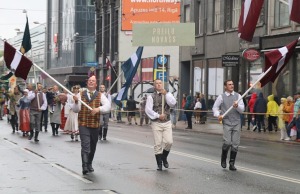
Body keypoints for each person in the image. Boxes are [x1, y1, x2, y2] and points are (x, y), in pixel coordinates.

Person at [72, 75, 110, 174]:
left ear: (96, 84)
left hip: (95, 124)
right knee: (85, 145)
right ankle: (84, 166)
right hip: (83, 123)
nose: (91, 82)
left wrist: (98, 109)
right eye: (89, 81)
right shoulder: (80, 94)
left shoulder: (100, 95)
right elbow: (76, 110)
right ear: (87, 83)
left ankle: (89, 163)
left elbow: (107, 106)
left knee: (93, 146)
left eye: (93, 81)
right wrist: (76, 102)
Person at [212, 80, 245, 171]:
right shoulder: (221, 97)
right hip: (226, 122)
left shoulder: (238, 96)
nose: (232, 86)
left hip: (237, 122)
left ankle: (231, 163)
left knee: (235, 144)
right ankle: (223, 158)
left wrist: (237, 106)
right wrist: (218, 115)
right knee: (227, 142)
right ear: (225, 87)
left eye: (232, 84)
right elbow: (215, 107)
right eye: (229, 84)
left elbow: (242, 110)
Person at [145, 79, 176, 171]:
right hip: (156, 123)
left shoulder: (167, 94)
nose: (159, 85)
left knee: (169, 142)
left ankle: (164, 157)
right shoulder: (151, 97)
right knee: (158, 144)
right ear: (154, 86)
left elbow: (173, 103)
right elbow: (148, 110)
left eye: (160, 83)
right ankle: (159, 164)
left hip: (166, 122)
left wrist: (166, 94)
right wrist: (158, 115)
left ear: (162, 84)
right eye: (157, 84)